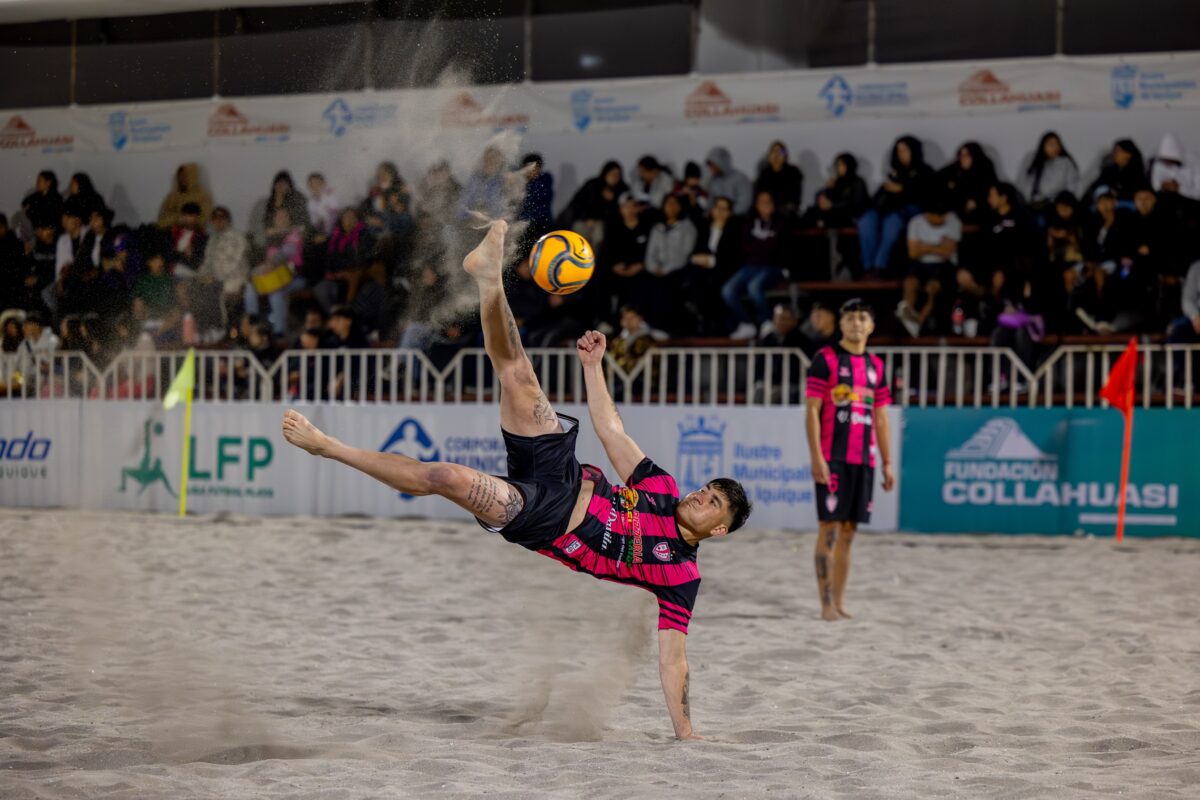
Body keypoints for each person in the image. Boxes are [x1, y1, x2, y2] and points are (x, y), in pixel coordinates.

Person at [282, 220, 753, 740]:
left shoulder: (681, 577)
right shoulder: (662, 490)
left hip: (546, 521)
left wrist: (685, 732)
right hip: (566, 471)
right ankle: (488, 277)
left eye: (710, 503)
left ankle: (329, 447)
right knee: (519, 374)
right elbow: (611, 430)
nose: (697, 496)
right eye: (705, 489)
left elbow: (674, 660)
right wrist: (594, 368)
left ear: (718, 531)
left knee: (444, 475)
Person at [805, 299, 894, 621]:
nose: (856, 323)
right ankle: (825, 604)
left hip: (863, 460)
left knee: (849, 532)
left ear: (871, 326)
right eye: (850, 318)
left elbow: (881, 418)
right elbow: (812, 411)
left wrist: (886, 462)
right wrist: (817, 457)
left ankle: (840, 602)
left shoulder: (877, 366)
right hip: (833, 458)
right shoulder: (825, 360)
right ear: (841, 324)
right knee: (829, 527)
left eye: (862, 318)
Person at [858, 136, 935, 274]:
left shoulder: (925, 171)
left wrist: (902, 189)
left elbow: (927, 197)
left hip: (907, 212)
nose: (902, 154)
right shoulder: (893, 173)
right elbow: (878, 198)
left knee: (892, 222)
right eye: (899, 151)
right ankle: (868, 267)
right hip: (886, 209)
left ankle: (880, 266)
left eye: (905, 150)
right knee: (866, 220)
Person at [724, 190, 787, 341]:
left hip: (773, 266)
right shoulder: (748, 223)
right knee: (728, 290)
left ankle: (766, 322)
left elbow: (778, 246)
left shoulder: (782, 223)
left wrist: (761, 245)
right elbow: (746, 246)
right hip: (751, 265)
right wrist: (765, 244)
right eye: (761, 202)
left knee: (754, 287)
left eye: (768, 201)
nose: (764, 205)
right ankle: (746, 323)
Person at [897, 196, 962, 337]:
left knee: (932, 288)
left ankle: (920, 320)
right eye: (936, 217)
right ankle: (909, 316)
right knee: (910, 282)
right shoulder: (916, 222)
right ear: (928, 214)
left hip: (944, 265)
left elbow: (947, 251)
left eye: (942, 216)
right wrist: (938, 246)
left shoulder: (953, 221)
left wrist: (924, 246)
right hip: (920, 263)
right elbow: (913, 252)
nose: (940, 220)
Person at [643, 193, 697, 333]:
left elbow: (685, 253)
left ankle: (663, 328)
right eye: (668, 203)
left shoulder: (687, 227)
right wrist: (654, 268)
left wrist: (666, 269)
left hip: (678, 269)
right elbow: (650, 253)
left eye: (675, 203)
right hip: (656, 270)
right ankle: (649, 326)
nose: (671, 207)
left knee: (666, 287)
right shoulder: (657, 228)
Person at [802, 153, 869, 229]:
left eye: (841, 165)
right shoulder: (837, 181)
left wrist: (832, 205)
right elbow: (827, 197)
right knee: (810, 212)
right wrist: (828, 189)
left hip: (849, 214)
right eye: (837, 165)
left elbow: (856, 205)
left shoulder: (857, 182)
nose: (838, 168)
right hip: (834, 211)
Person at [939, 142, 996, 225]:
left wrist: (976, 201)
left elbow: (988, 192)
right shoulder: (955, 168)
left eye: (967, 156)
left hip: (980, 212)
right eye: (961, 155)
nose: (963, 159)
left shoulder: (985, 168)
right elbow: (938, 180)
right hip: (954, 211)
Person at [1020, 131, 1080, 211]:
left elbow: (1072, 187)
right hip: (1033, 204)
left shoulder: (1065, 163)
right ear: (1043, 146)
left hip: (1056, 205)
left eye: (1057, 144)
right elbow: (1024, 185)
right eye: (1051, 144)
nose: (1054, 147)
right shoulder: (1034, 161)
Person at [1086, 139, 1149, 204]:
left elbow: (1137, 193)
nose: (1114, 154)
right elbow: (1095, 186)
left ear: (1128, 154)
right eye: (1114, 151)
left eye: (1117, 151)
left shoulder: (1137, 173)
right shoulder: (1108, 170)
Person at [754, 141, 803, 217]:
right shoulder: (764, 173)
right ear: (769, 156)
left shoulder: (793, 172)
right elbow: (760, 193)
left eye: (780, 152)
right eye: (773, 152)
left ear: (785, 156)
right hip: (766, 209)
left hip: (786, 210)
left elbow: (794, 197)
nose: (776, 155)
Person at [157, 163, 213, 229]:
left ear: (192, 177)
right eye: (179, 176)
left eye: (185, 176)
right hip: (170, 232)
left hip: (193, 233)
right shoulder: (172, 195)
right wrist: (177, 219)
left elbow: (204, 219)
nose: (181, 179)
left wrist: (188, 219)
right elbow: (162, 218)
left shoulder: (202, 196)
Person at [704, 146, 753, 215]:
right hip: (718, 220)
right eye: (710, 165)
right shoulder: (713, 181)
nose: (711, 168)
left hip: (738, 219)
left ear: (721, 162)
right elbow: (710, 202)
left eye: (713, 164)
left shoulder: (741, 178)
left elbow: (744, 204)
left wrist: (726, 214)